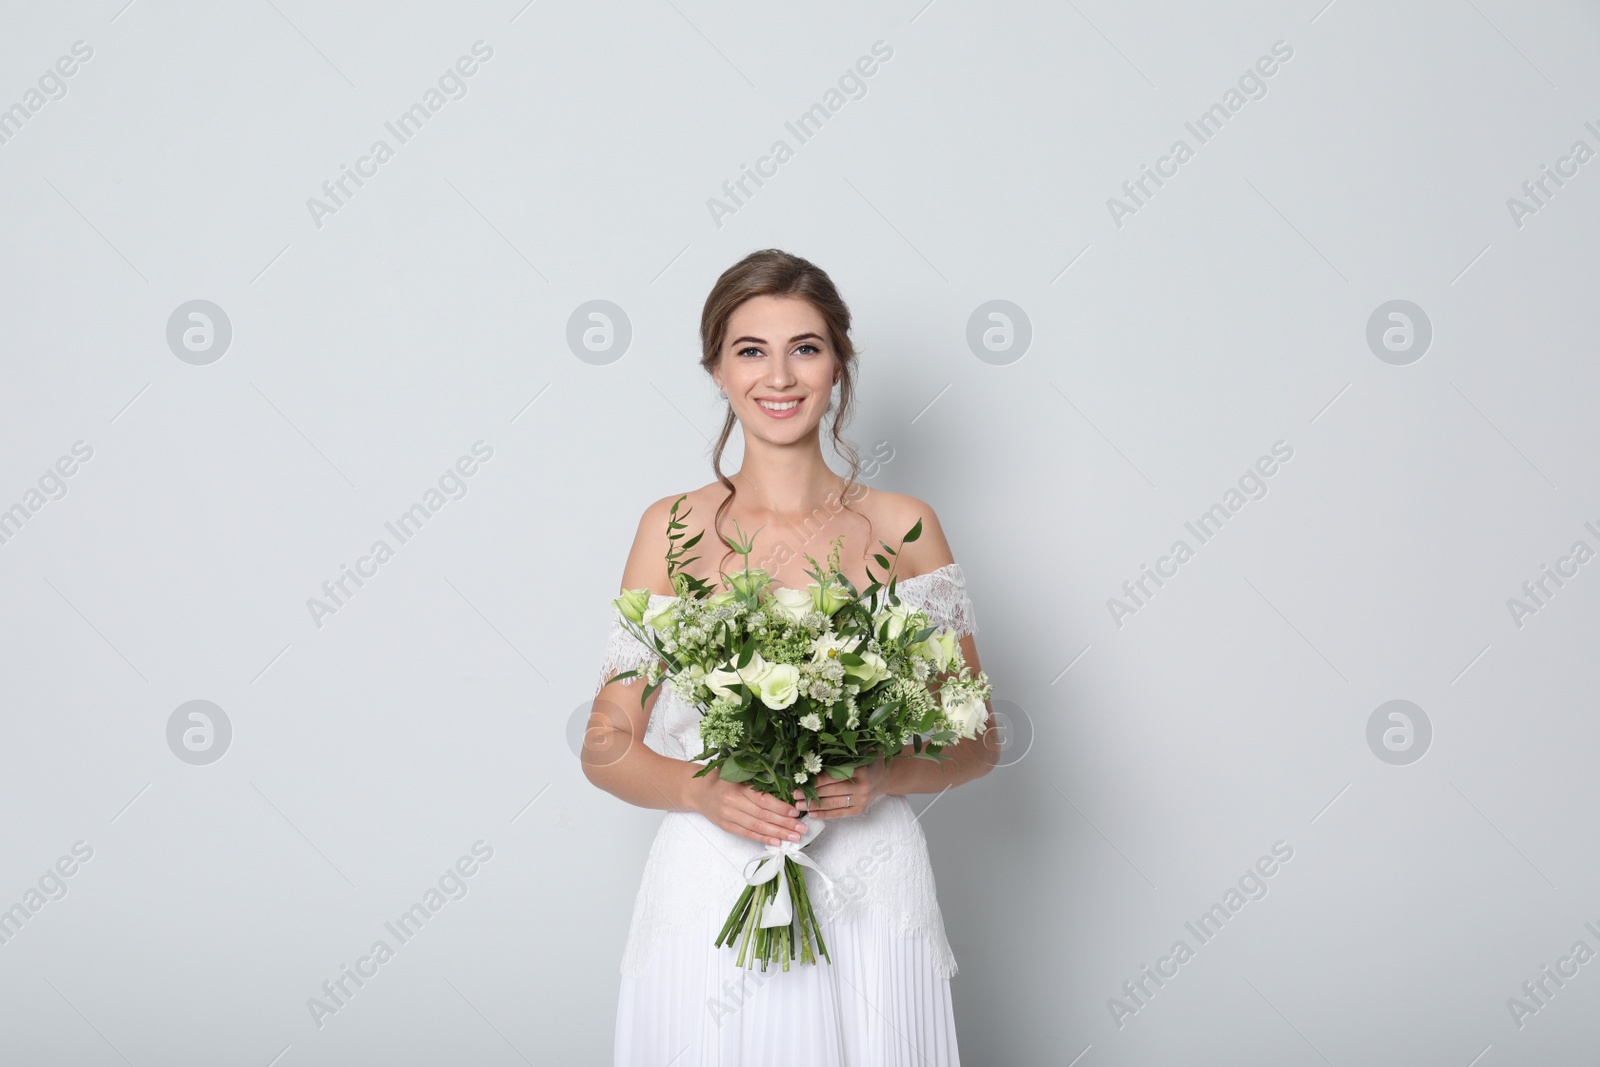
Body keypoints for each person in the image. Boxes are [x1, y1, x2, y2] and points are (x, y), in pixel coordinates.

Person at [584, 248, 1001, 1065]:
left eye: (805, 347)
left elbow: (979, 737)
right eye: (751, 349)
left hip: (866, 882)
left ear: (839, 364)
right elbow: (605, 741)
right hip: (711, 878)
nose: (780, 375)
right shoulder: (670, 529)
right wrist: (698, 788)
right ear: (716, 370)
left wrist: (885, 775)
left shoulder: (902, 526)